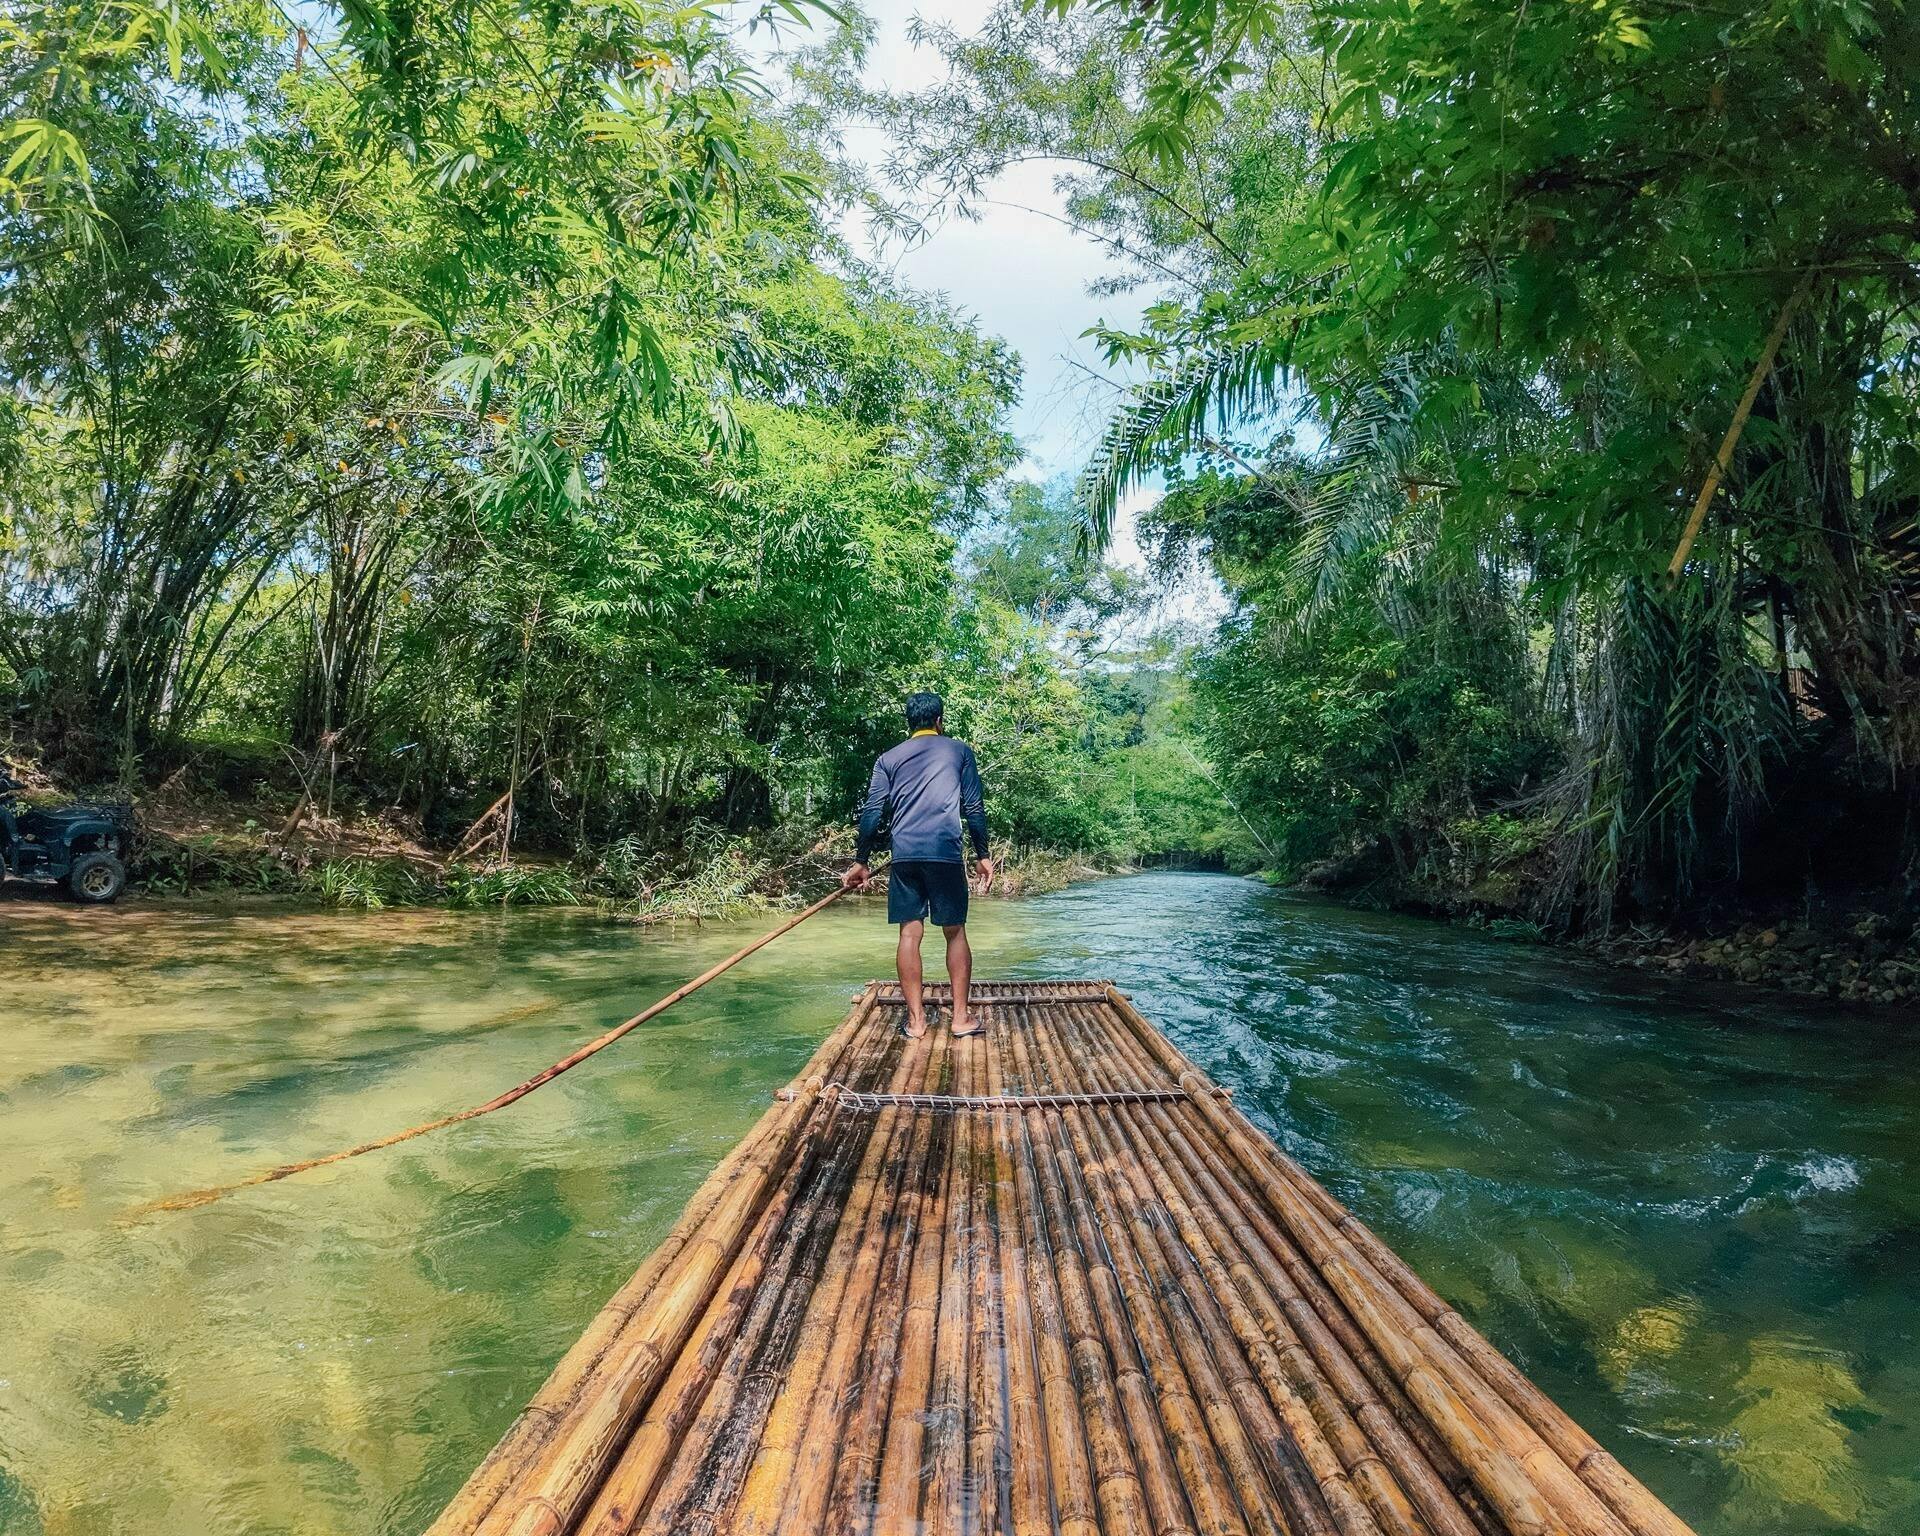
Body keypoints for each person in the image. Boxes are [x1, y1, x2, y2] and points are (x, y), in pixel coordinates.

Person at [842, 691, 995, 1039]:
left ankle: (916, 1022)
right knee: (954, 930)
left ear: (909, 724)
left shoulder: (888, 758)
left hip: (906, 853)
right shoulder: (959, 751)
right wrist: (982, 855)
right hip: (944, 851)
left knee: (910, 933)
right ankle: (959, 1019)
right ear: (939, 722)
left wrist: (861, 861)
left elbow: (871, 812)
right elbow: (973, 808)